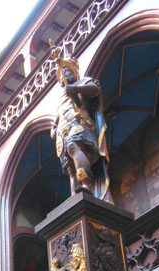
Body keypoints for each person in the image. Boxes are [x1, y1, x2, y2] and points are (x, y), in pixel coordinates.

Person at [50, 40, 110, 200]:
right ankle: (75, 196)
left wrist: (76, 89)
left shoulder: (82, 83)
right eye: (62, 73)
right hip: (63, 134)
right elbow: (56, 120)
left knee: (73, 145)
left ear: (74, 72)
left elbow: (95, 89)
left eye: (67, 71)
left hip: (80, 125)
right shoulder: (61, 100)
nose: (64, 75)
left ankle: (86, 184)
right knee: (70, 168)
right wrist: (54, 129)